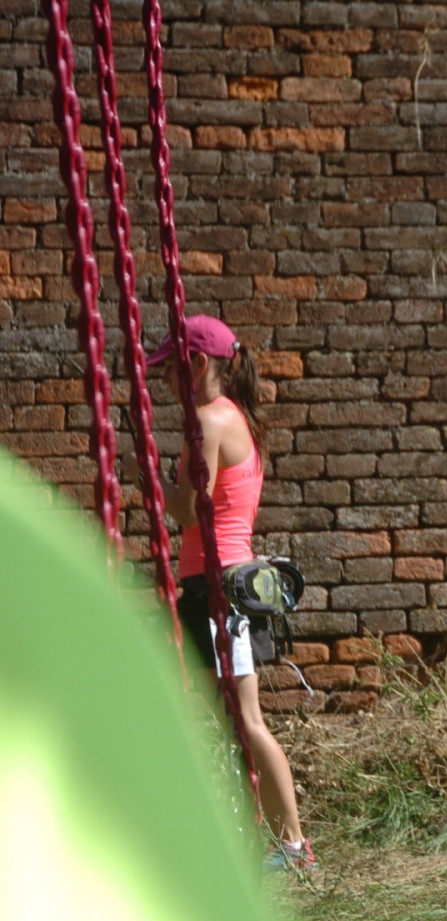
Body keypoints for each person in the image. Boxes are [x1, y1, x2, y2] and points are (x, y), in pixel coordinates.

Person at [139, 315, 313, 872]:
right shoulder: (233, 416)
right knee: (226, 718)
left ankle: (293, 846)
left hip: (221, 591)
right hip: (215, 585)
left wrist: (150, 479)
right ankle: (253, 837)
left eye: (170, 369)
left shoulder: (210, 419)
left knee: (247, 722)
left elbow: (192, 510)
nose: (164, 380)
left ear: (198, 364)